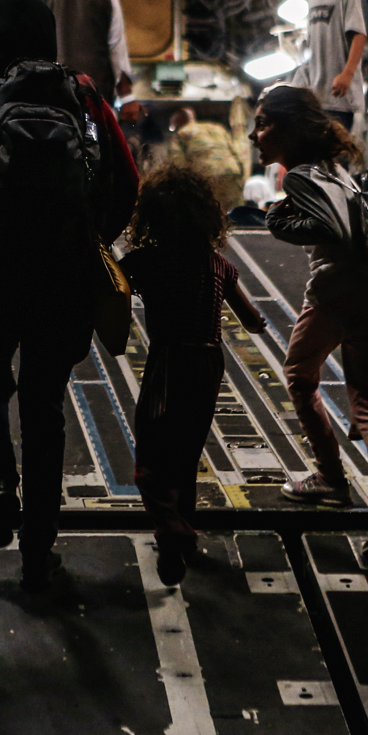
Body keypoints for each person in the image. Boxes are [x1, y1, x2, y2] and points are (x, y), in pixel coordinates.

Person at [0, 0, 140, 590]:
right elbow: (127, 180)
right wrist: (95, 239)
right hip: (63, 267)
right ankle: (38, 550)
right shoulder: (85, 94)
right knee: (44, 406)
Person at [251, 85, 368, 558]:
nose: (253, 135)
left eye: (261, 123)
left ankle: (331, 479)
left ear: (285, 128)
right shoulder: (338, 172)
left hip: (336, 290)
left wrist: (279, 221)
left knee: (300, 377)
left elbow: (334, 231)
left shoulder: (300, 177)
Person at [121, 164, 266, 585]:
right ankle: (184, 538)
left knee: (150, 452)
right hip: (209, 363)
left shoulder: (146, 261)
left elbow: (110, 291)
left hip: (168, 360)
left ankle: (170, 526)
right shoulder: (217, 264)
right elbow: (252, 319)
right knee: (186, 452)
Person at [33, 0, 132, 104]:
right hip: (96, 90)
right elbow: (117, 46)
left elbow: (33, 43)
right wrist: (127, 96)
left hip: (52, 90)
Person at [288, 0, 367, 133]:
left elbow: (359, 35)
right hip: (318, 98)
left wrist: (347, 74)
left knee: (337, 157)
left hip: (340, 96)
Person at [164, 106, 247, 212]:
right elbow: (236, 152)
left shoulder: (182, 133)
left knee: (210, 214)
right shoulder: (218, 128)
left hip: (206, 176)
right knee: (236, 213)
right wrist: (241, 173)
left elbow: (178, 163)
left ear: (178, 121)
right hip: (231, 171)